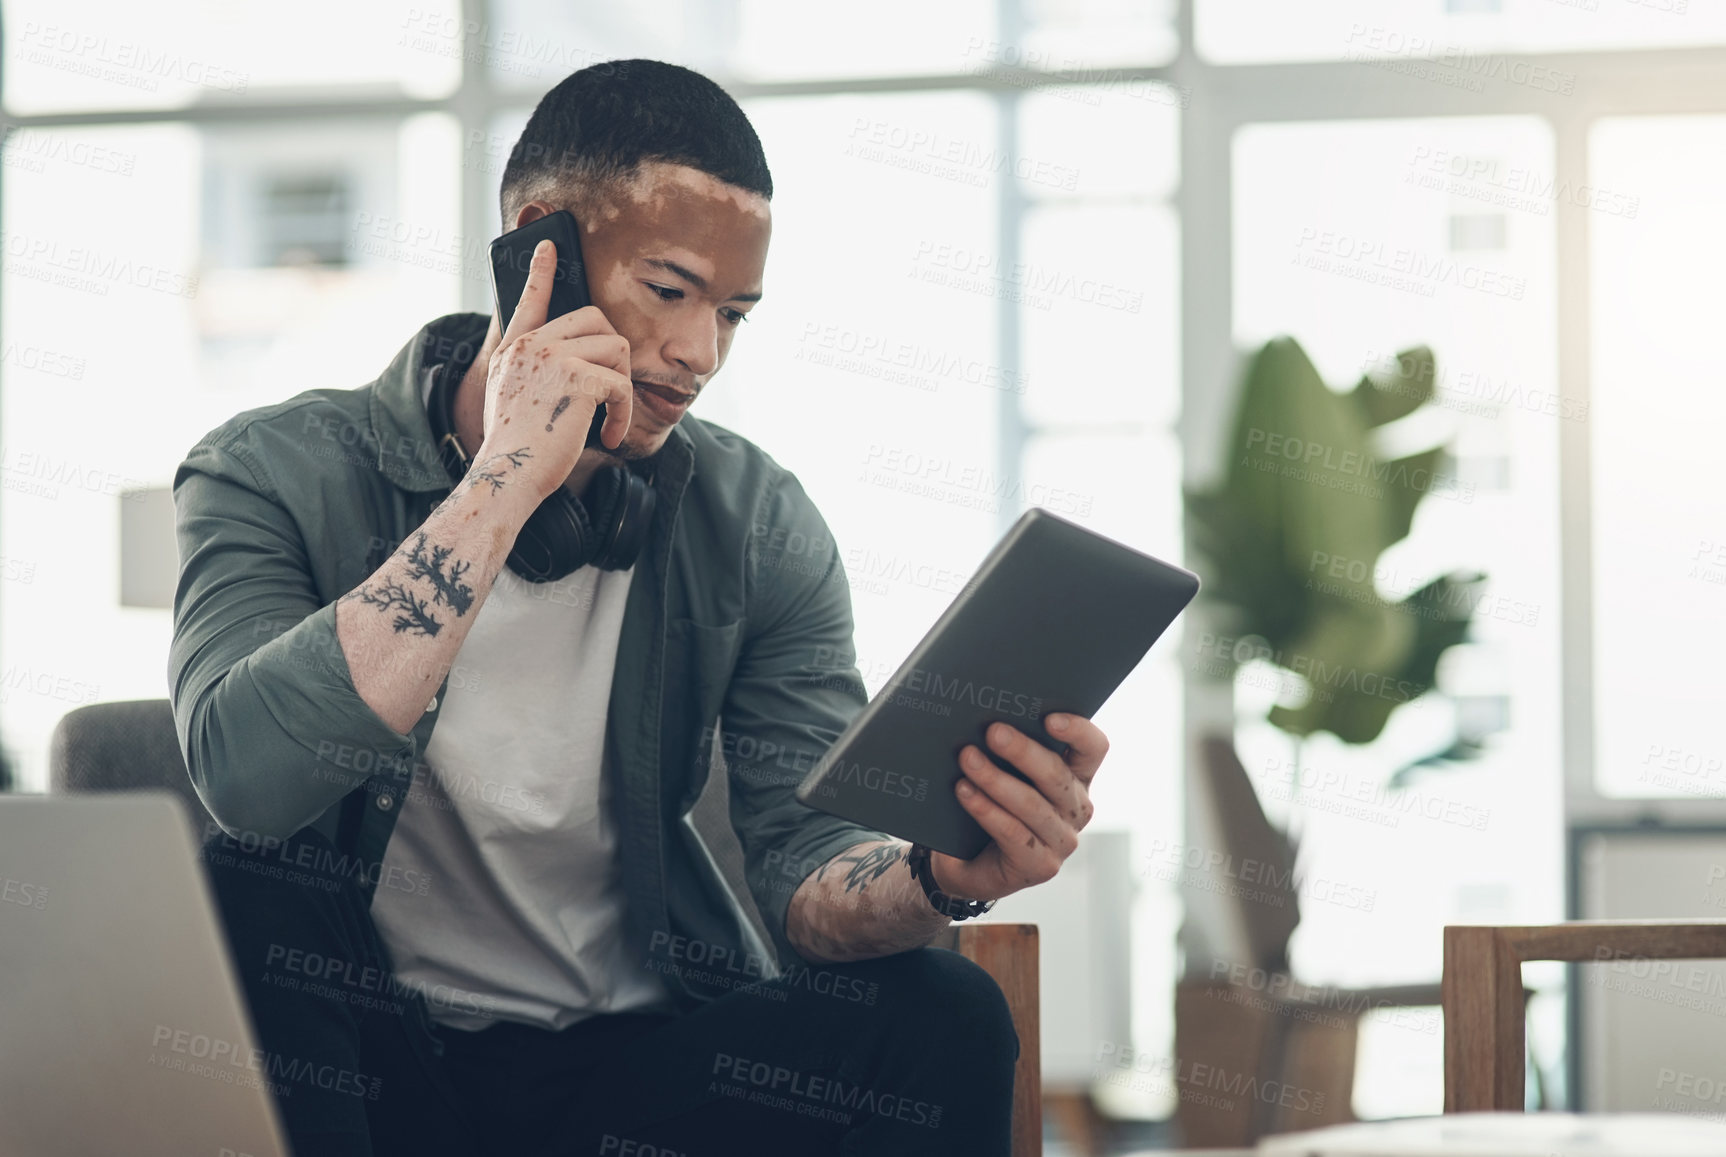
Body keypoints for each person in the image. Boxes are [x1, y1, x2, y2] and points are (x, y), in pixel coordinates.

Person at [168, 58, 1112, 1157]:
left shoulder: (757, 522)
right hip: (386, 1074)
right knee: (253, 881)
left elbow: (804, 862)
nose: (698, 354)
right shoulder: (270, 469)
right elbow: (247, 780)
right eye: (670, 290)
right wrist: (504, 483)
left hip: (631, 1081)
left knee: (942, 1012)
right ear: (538, 247)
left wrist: (936, 876)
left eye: (733, 315)